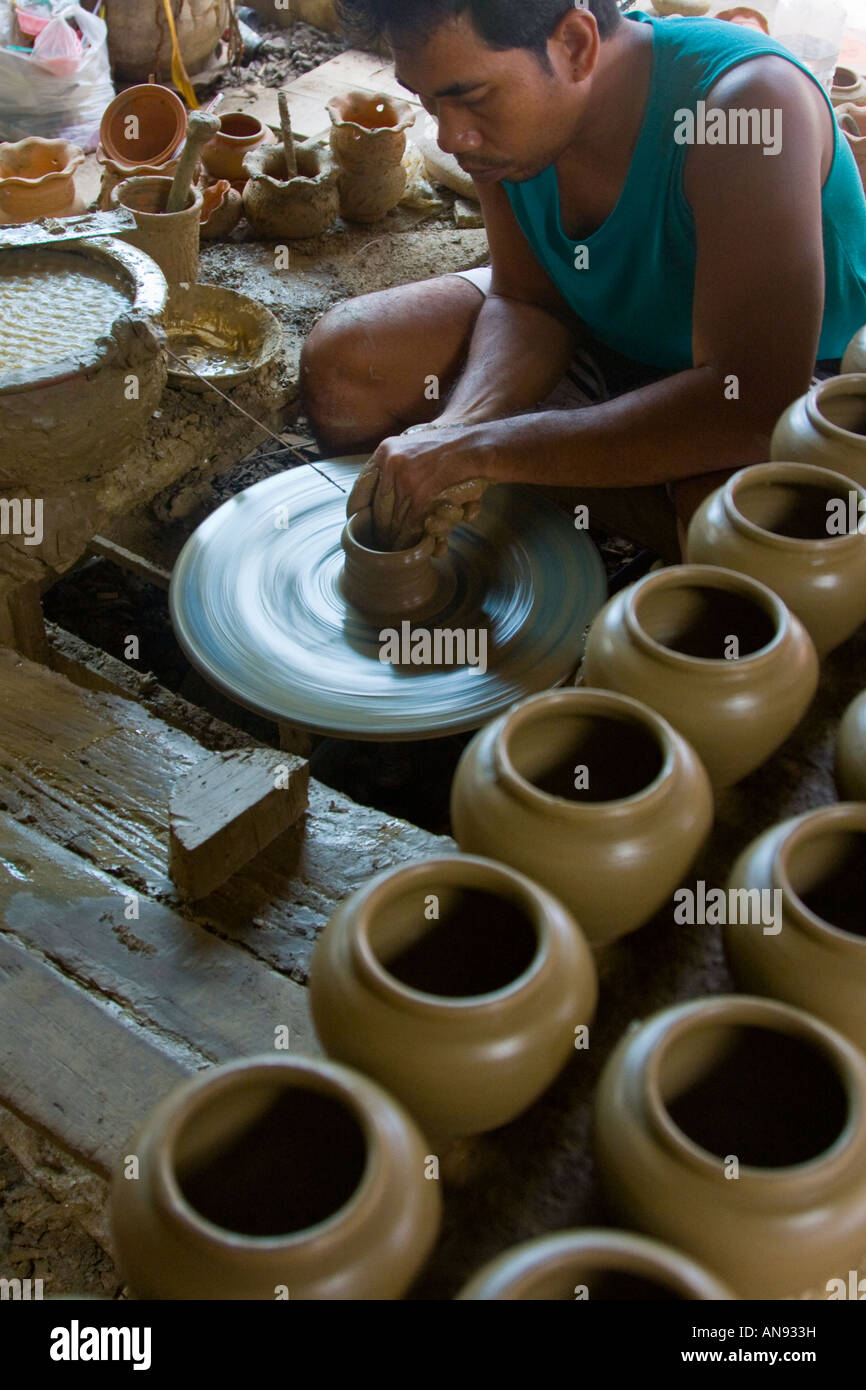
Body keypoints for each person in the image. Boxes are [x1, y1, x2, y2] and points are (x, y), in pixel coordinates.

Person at [299, 0, 866, 557]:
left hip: (789, 384)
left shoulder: (746, 109)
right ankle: (565, 499)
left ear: (574, 45)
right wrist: (453, 430)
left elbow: (750, 400)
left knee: (737, 529)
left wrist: (485, 451)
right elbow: (529, 301)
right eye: (428, 101)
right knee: (349, 365)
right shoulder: (497, 137)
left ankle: (579, 522)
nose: (450, 138)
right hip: (608, 336)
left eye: (469, 98)